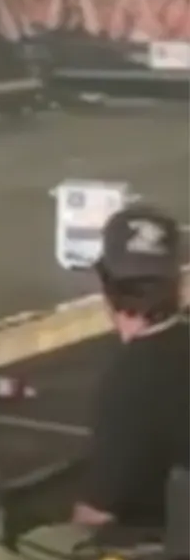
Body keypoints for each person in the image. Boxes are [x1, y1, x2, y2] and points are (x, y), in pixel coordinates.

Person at [74, 206, 189, 537]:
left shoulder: (126, 383)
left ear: (105, 285)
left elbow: (96, 513)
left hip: (162, 555)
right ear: (179, 284)